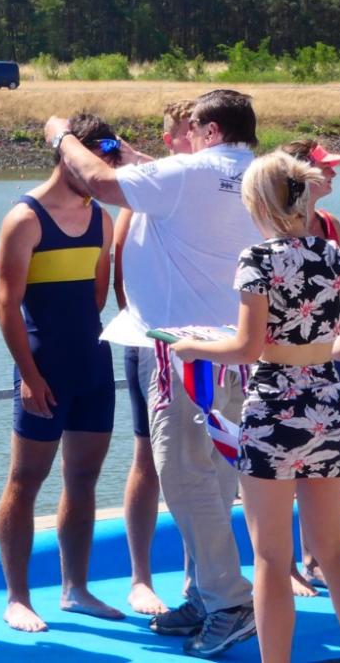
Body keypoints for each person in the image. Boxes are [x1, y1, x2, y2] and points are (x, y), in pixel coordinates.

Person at [44, 89, 261, 659]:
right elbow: (157, 173)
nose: (185, 138)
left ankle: (229, 601)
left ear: (210, 131)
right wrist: (123, 150)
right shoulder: (258, 174)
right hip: (235, 348)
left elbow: (101, 182)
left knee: (183, 476)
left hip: (185, 352)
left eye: (193, 129)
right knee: (215, 474)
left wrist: (61, 136)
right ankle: (206, 592)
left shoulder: (189, 173)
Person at [170, 151, 340, 663]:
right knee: (333, 549)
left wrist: (192, 347)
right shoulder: (334, 257)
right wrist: (308, 350)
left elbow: (245, 348)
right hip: (326, 405)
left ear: (257, 203)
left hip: (273, 411)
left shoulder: (258, 260)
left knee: (270, 557)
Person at [0, 114, 124, 632]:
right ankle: (17, 597)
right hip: (42, 367)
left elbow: (97, 296)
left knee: (84, 479)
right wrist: (29, 375)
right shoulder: (24, 218)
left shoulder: (101, 220)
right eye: (94, 160)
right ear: (68, 155)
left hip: (91, 364)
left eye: (106, 162)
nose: (100, 172)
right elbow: (6, 306)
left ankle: (76, 589)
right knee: (26, 480)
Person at [112, 98, 193, 616]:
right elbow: (120, 272)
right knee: (149, 457)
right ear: (168, 141)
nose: (197, 139)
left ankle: (195, 574)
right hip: (153, 345)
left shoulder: (214, 189)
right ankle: (140, 578)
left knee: (206, 459)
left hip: (210, 344)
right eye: (187, 131)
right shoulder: (144, 195)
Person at [278, 138, 340, 595]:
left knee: (324, 461)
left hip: (330, 360)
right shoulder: (269, 230)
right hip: (285, 363)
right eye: (324, 167)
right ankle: (288, 565)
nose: (332, 173)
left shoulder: (329, 224)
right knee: (284, 464)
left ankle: (316, 557)